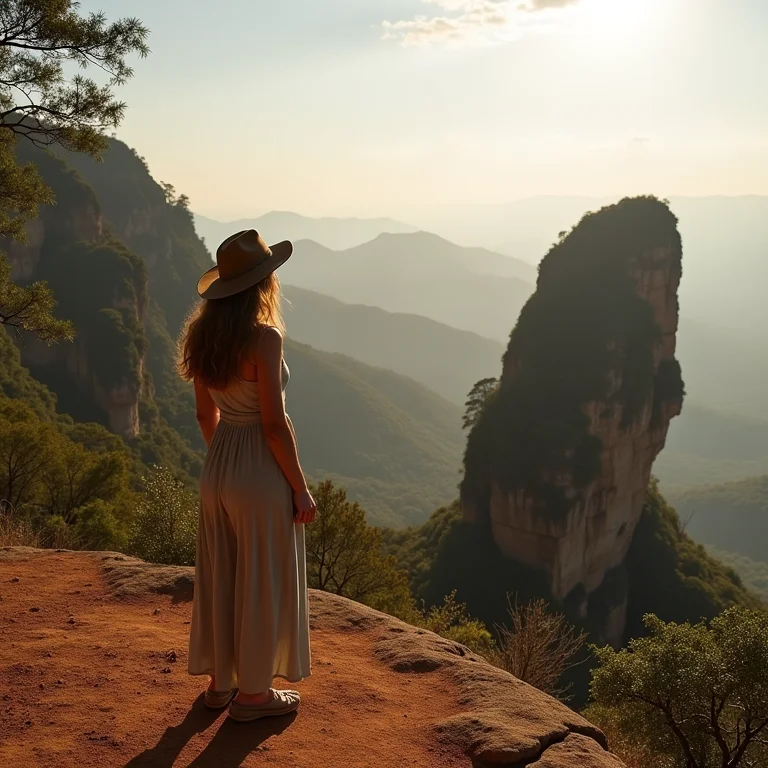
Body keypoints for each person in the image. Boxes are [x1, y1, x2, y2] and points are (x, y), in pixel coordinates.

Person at [178, 229, 315, 722]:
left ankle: (221, 684)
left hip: (217, 470)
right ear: (262, 284)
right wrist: (299, 488)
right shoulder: (264, 338)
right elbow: (275, 425)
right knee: (260, 577)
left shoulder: (200, 337)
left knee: (223, 573)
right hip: (259, 466)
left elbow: (203, 415)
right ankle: (254, 697)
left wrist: (227, 462)